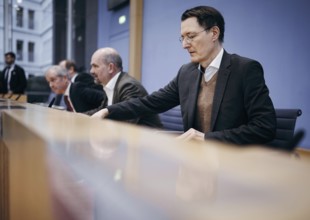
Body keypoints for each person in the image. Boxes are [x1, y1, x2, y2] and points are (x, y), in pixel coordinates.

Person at [92, 6, 276, 145]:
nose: (185, 44)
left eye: (191, 36)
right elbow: (149, 103)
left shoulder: (245, 69)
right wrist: (108, 111)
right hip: (193, 162)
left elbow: (264, 127)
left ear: (214, 33)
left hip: (232, 164)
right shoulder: (186, 73)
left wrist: (206, 138)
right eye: (183, 37)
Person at [86, 47, 162, 128]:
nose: (91, 71)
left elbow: (127, 121)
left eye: (95, 66)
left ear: (110, 68)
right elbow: (101, 111)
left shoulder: (129, 86)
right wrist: (78, 115)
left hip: (148, 138)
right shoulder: (112, 85)